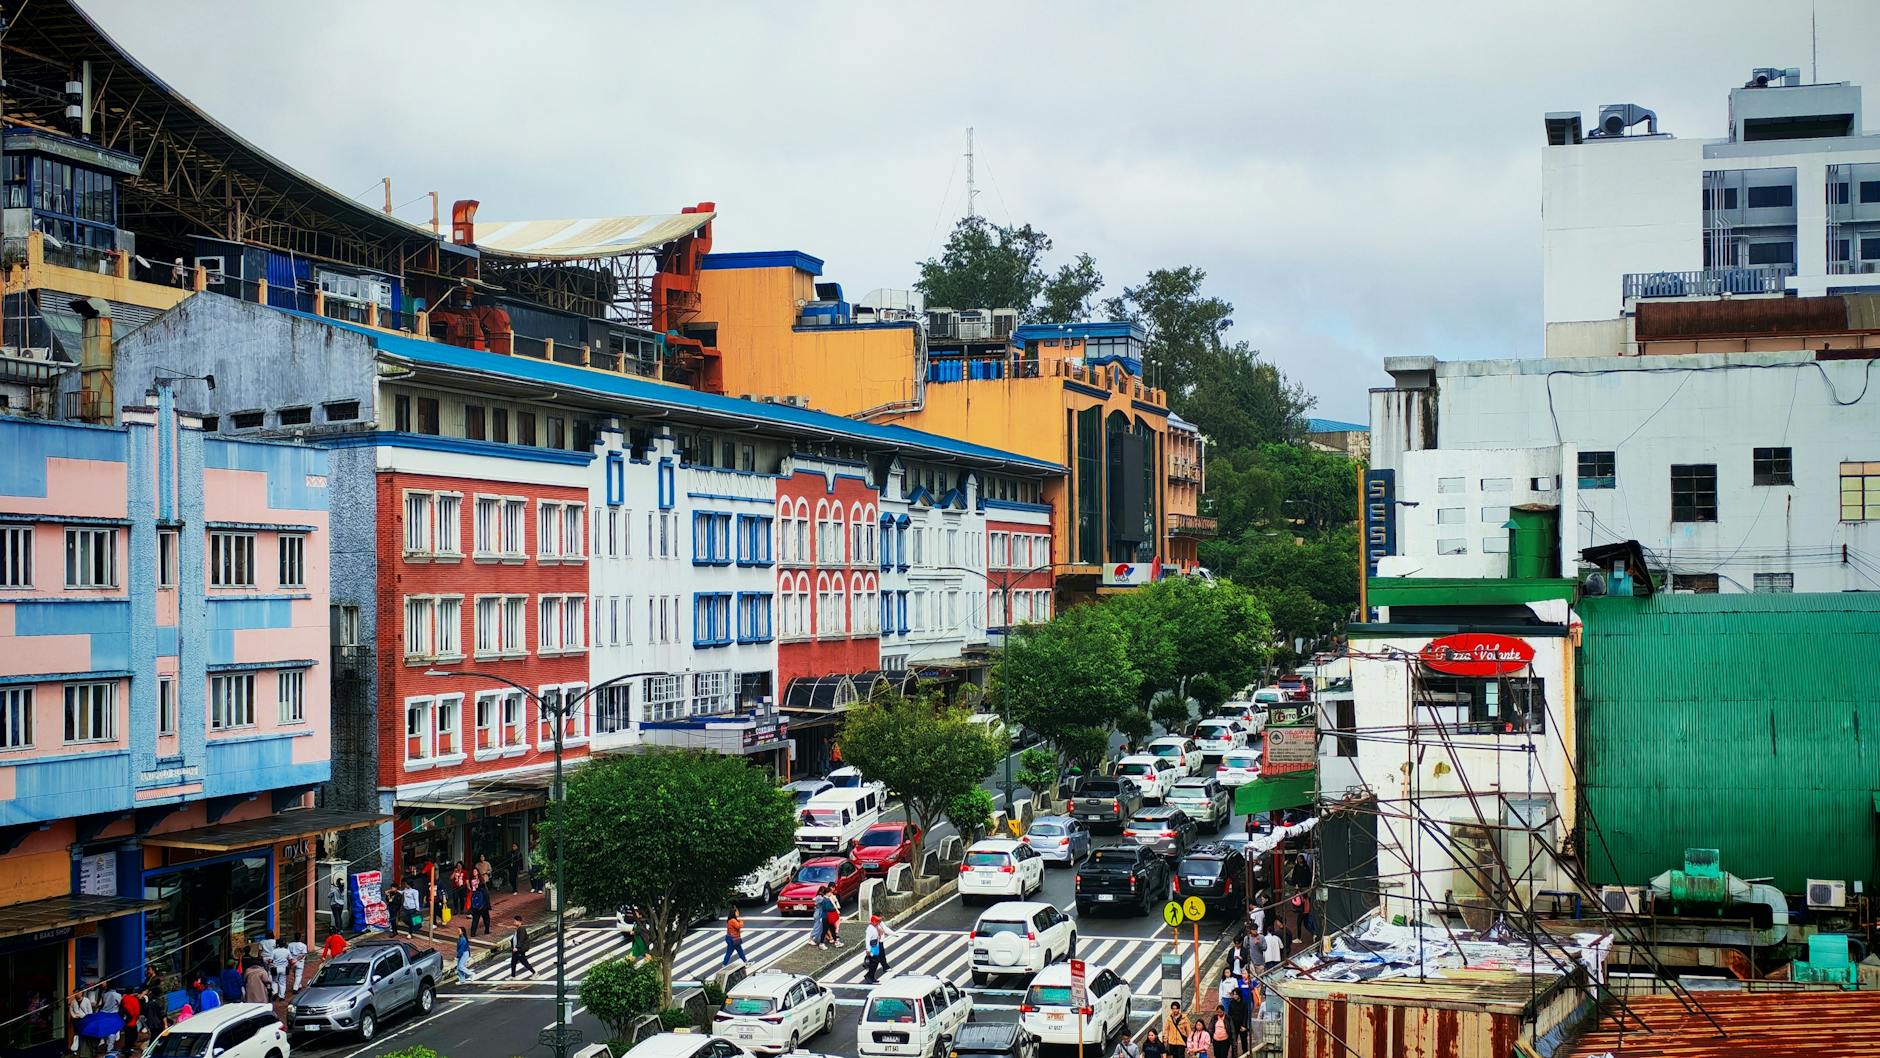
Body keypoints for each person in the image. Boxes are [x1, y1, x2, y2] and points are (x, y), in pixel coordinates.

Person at [861, 913, 892, 984]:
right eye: (877, 921)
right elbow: (867, 939)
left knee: (876, 961)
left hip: (876, 946)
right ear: (874, 921)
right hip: (872, 947)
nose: (878, 923)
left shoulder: (875, 927)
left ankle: (871, 976)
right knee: (874, 962)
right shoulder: (870, 929)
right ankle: (869, 976)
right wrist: (868, 949)